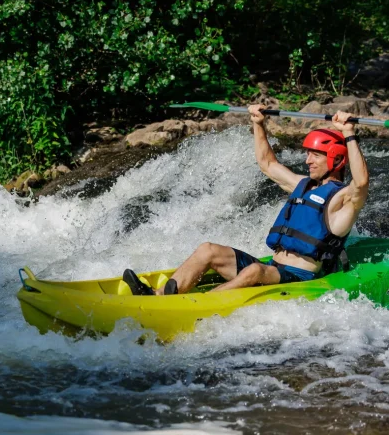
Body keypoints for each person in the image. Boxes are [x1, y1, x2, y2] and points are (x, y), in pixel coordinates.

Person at [123, 105, 369, 295]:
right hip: (273, 268)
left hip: (299, 277)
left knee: (254, 270)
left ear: (336, 158)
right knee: (207, 250)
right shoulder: (302, 185)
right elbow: (267, 163)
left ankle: (201, 303)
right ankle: (159, 295)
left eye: (315, 156)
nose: (307, 161)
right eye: (308, 155)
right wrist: (259, 124)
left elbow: (360, 183)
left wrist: (348, 133)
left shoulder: (342, 199)